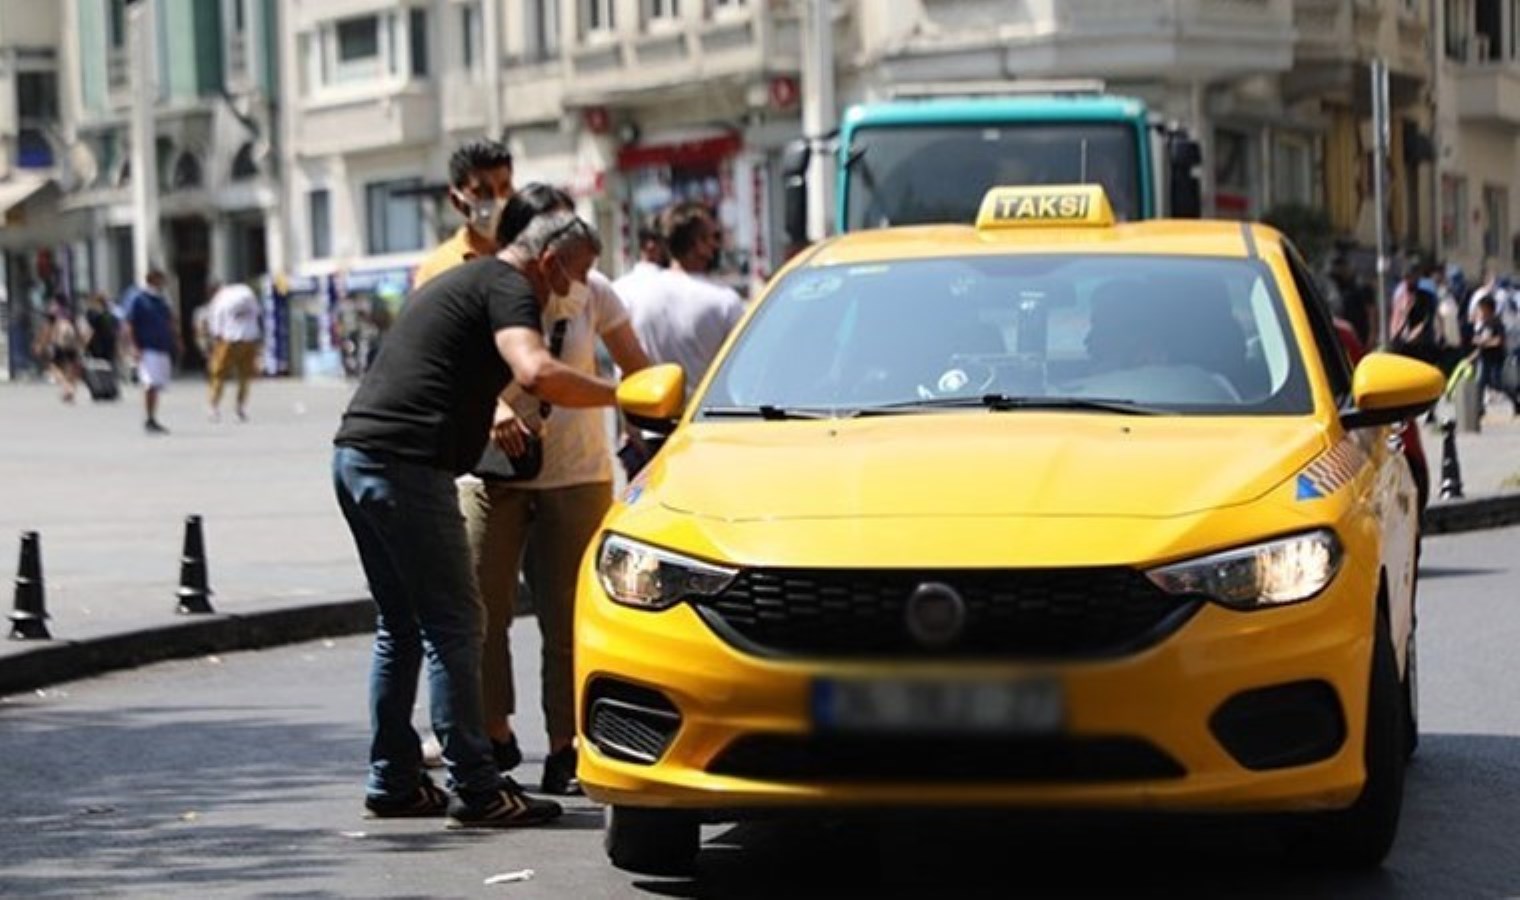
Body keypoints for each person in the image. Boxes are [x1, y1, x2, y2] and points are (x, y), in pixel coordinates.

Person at [332, 210, 615, 829]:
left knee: (400, 624)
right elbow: (535, 370)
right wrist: (619, 396)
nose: (575, 292)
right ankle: (479, 787)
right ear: (549, 262)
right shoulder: (511, 286)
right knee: (455, 622)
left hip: (356, 457)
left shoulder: (463, 282)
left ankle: (394, 780)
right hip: (408, 467)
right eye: (577, 276)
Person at [620, 202, 745, 474]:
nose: (716, 246)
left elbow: (624, 366)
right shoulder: (723, 302)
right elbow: (745, 375)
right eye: (711, 237)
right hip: (705, 435)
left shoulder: (635, 294)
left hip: (648, 434)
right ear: (697, 243)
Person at [413, 139, 515, 289]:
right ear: (457, 201)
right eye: (482, 192)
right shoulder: (436, 270)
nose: (498, 200)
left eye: (504, 187)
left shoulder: (533, 253)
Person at [121, 268, 180, 434]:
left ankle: (153, 416)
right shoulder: (139, 299)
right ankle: (149, 418)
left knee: (157, 384)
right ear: (153, 279)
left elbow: (170, 321)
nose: (164, 283)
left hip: (161, 346)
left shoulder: (161, 300)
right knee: (150, 383)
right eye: (161, 279)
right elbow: (129, 323)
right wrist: (133, 346)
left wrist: (175, 339)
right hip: (147, 347)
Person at [206, 279, 264, 422]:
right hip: (249, 338)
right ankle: (240, 408)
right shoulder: (247, 293)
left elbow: (215, 326)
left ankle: (214, 408)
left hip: (229, 340)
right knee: (244, 377)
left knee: (218, 375)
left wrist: (215, 343)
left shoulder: (218, 300)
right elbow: (257, 313)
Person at [1471, 295, 1516, 415]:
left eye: (1482, 309)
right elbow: (1478, 339)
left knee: (1498, 383)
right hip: (1484, 358)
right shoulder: (1483, 323)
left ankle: (1515, 400)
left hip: (1496, 359)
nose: (1480, 311)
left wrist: (1485, 342)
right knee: (1480, 383)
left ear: (1488, 309)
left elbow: (1499, 340)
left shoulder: (1496, 322)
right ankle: (1479, 409)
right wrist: (1473, 354)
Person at [35, 299, 82, 403]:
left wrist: (41, 345)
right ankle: (71, 391)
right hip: (72, 343)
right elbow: (77, 329)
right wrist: (80, 343)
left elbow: (47, 330)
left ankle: (66, 387)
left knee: (54, 366)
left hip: (59, 343)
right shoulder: (70, 313)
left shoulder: (53, 313)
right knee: (71, 367)